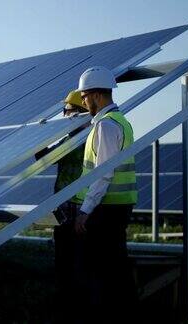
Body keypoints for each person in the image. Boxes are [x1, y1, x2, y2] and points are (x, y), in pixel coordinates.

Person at [73, 66, 138, 323]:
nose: (83, 101)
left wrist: (84, 211)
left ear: (97, 94)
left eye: (85, 96)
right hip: (113, 207)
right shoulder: (118, 121)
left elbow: (103, 173)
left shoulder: (107, 126)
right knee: (112, 270)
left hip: (106, 210)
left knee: (103, 273)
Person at [34, 90, 89, 324]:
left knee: (73, 259)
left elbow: (49, 157)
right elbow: (46, 158)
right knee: (66, 258)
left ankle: (74, 306)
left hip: (78, 207)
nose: (64, 114)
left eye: (67, 110)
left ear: (77, 112)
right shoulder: (73, 136)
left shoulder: (84, 137)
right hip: (67, 204)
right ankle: (68, 302)